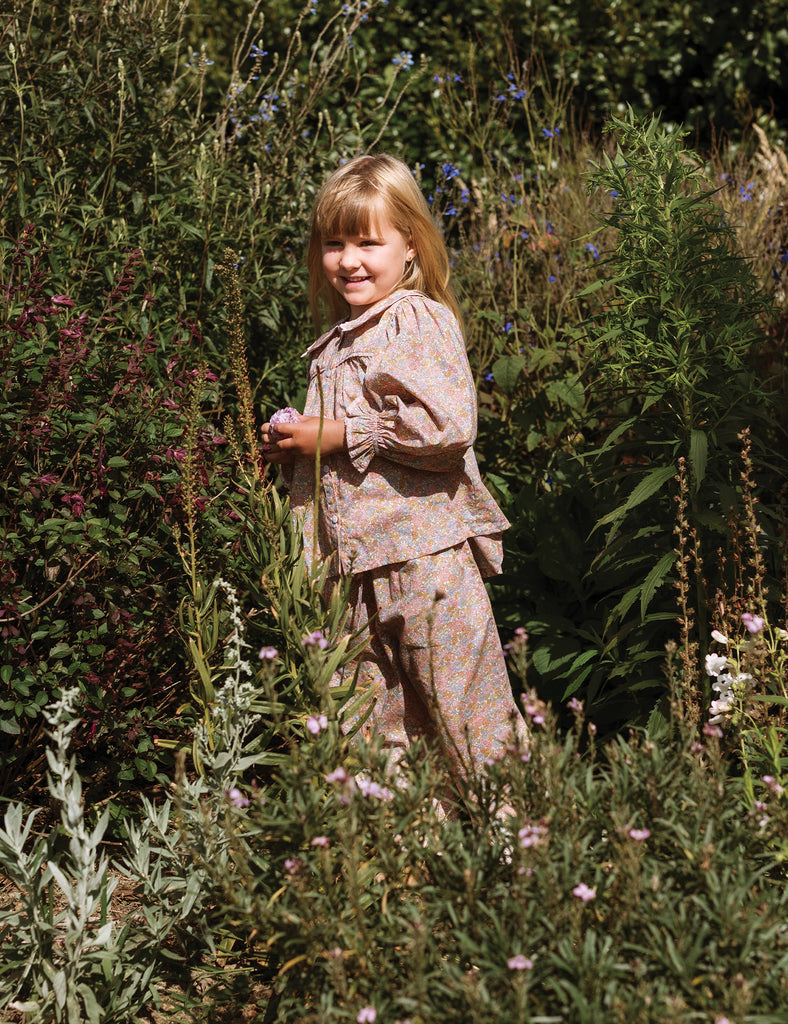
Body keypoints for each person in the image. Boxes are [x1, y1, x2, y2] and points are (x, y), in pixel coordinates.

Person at [262, 153, 525, 778]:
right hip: (349, 570)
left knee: (468, 719)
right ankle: (416, 862)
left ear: (411, 245)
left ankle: (525, 857)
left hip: (420, 555)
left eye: (368, 242)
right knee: (379, 730)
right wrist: (295, 440)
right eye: (334, 243)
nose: (349, 260)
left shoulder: (416, 318)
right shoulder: (337, 343)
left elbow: (449, 426)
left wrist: (338, 433)